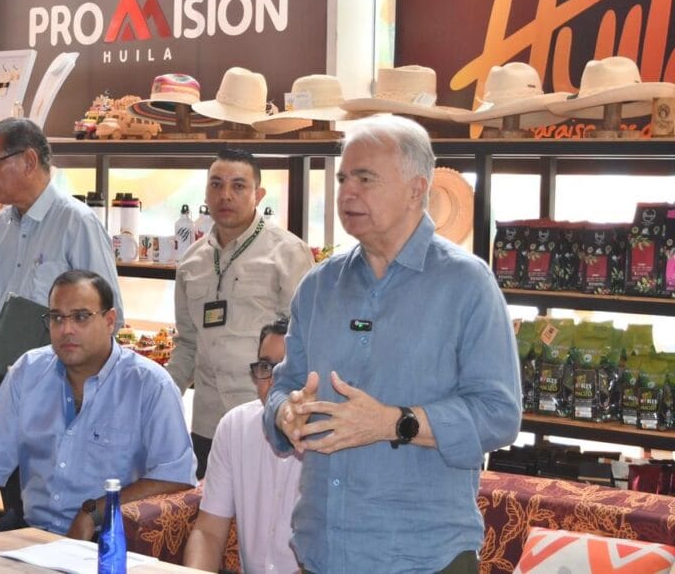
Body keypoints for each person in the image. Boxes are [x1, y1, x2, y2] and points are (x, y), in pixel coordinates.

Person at [263, 115, 522, 573]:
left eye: (365, 179)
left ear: (416, 190)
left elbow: (499, 415)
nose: (347, 192)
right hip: (322, 552)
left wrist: (394, 423)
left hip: (424, 558)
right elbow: (283, 387)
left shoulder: (467, 284)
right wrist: (285, 413)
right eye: (343, 178)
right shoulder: (319, 286)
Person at [0, 270, 196, 541]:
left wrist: (95, 512)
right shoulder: (27, 372)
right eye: (57, 318)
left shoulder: (150, 385)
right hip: (32, 533)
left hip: (111, 539)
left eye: (81, 317)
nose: (66, 330)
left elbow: (176, 478)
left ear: (110, 321)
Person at [0, 118, 123, 521]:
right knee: (16, 509)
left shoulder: (76, 222)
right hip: (7, 389)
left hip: (65, 394)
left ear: (28, 160)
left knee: (58, 510)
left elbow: (113, 315)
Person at [167, 147, 312, 477]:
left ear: (258, 194)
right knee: (207, 505)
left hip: (265, 421)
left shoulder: (288, 252)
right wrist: (160, 398)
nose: (226, 195)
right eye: (216, 184)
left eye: (238, 186)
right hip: (207, 423)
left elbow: (303, 343)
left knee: (261, 508)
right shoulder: (191, 262)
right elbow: (187, 344)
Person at [184, 318, 302, 574]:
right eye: (266, 366)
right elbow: (208, 532)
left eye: (286, 367)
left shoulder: (334, 439)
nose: (274, 380)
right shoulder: (234, 427)